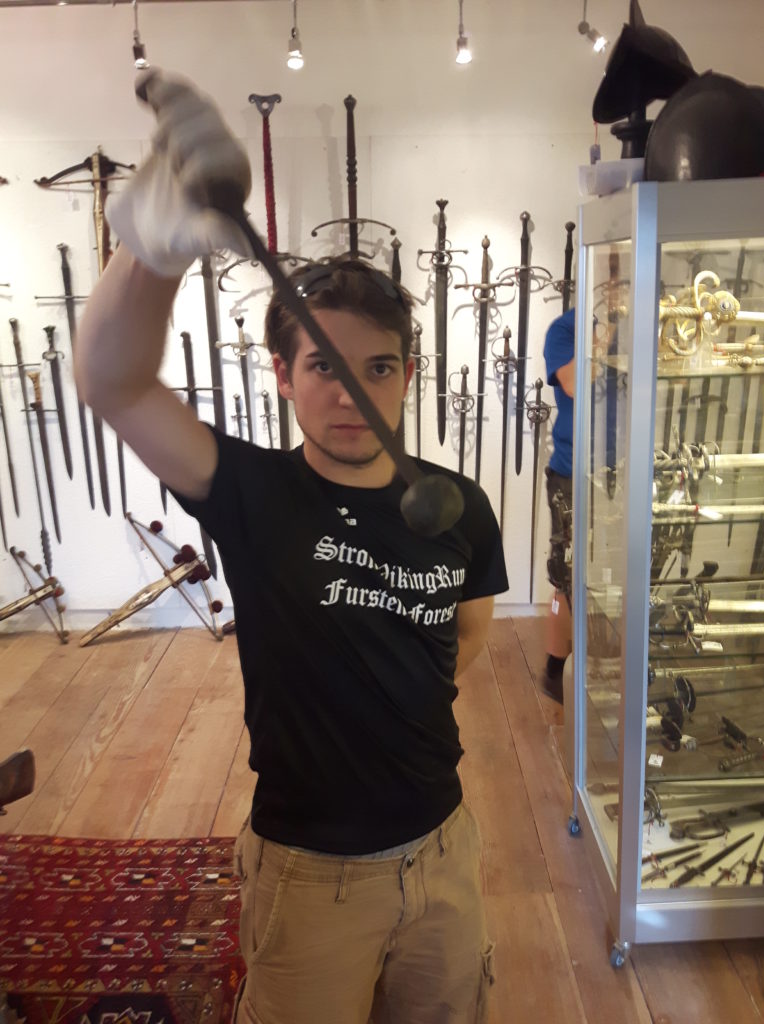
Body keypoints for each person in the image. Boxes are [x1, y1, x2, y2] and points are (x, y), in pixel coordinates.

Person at [75, 71, 508, 1024]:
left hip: (444, 851)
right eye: (324, 366)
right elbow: (112, 379)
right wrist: (155, 245)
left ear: (408, 376)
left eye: (379, 368)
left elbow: (466, 635)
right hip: (311, 876)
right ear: (283, 374)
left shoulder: (460, 506)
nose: (351, 394)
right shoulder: (250, 490)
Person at [541, 307, 575, 704]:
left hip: (622, 467)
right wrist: (603, 332)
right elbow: (573, 383)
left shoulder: (638, 328)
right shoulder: (566, 329)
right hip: (571, 470)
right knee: (564, 571)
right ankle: (554, 667)